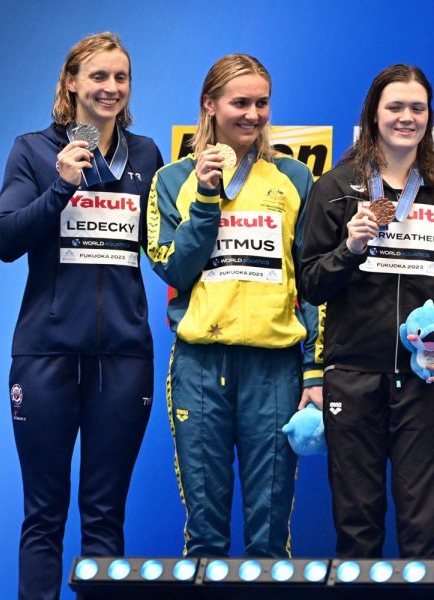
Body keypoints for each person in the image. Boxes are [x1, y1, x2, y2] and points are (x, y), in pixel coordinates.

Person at [0, 32, 162, 599]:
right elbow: (4, 239)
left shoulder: (146, 156)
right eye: (98, 76)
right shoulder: (33, 150)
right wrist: (60, 187)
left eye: (120, 77)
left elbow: (160, 248)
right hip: (47, 354)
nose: (110, 87)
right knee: (44, 515)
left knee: (105, 516)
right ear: (71, 82)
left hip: (124, 357)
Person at [299, 64, 434, 558]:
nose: (407, 117)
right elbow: (311, 284)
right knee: (357, 529)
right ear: (373, 115)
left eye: (417, 108)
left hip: (424, 379)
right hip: (353, 378)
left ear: (429, 117)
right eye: (395, 106)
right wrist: (350, 248)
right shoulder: (336, 188)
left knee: (426, 529)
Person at [146, 54, 323, 558]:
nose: (252, 114)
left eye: (262, 103)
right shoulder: (171, 179)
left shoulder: (295, 177)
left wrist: (314, 367)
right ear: (210, 105)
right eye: (240, 102)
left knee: (269, 539)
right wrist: (205, 198)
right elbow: (174, 269)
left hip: (276, 367)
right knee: (205, 537)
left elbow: (312, 282)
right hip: (200, 365)